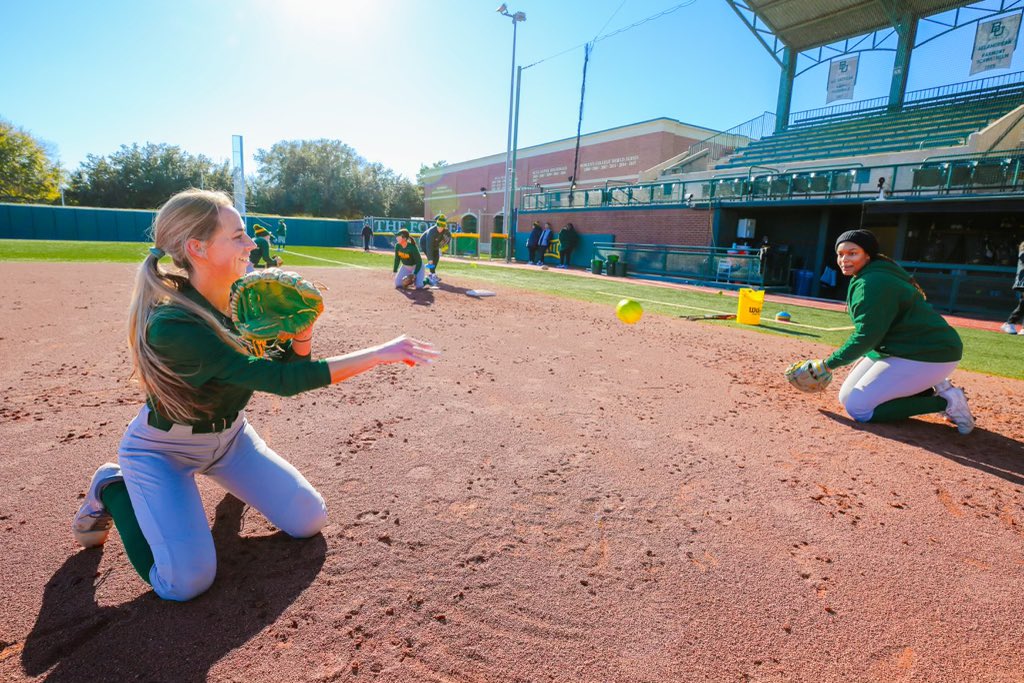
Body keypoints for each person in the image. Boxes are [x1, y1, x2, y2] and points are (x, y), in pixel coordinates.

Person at [70, 189, 438, 602]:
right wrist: (381, 353)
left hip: (231, 440)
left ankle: (232, 483)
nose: (250, 245)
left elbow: (289, 368)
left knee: (308, 519)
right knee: (184, 584)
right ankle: (113, 486)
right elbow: (285, 384)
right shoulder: (174, 325)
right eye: (239, 236)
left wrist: (302, 335)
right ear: (198, 247)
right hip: (163, 451)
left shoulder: (243, 299)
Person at [814, 229, 974, 433]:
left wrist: (828, 365)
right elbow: (875, 332)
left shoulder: (872, 282)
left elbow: (866, 336)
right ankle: (927, 389)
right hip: (903, 348)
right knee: (846, 397)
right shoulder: (869, 273)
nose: (844, 259)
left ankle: (947, 402)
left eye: (852, 253)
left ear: (867, 255)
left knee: (859, 409)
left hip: (932, 353)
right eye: (841, 254)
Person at [418, 215, 451, 286]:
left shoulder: (446, 232)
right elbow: (429, 246)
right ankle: (431, 274)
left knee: (437, 257)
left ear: (444, 226)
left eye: (441, 227)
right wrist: (430, 259)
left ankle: (431, 274)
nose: (439, 228)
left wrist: (444, 245)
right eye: (438, 226)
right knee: (432, 258)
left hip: (435, 244)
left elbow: (448, 238)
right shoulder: (431, 232)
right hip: (424, 243)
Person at [999, 240, 1024, 334]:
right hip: (1023, 281)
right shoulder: (1023, 252)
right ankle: (1009, 323)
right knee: (1023, 303)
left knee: (1023, 303)